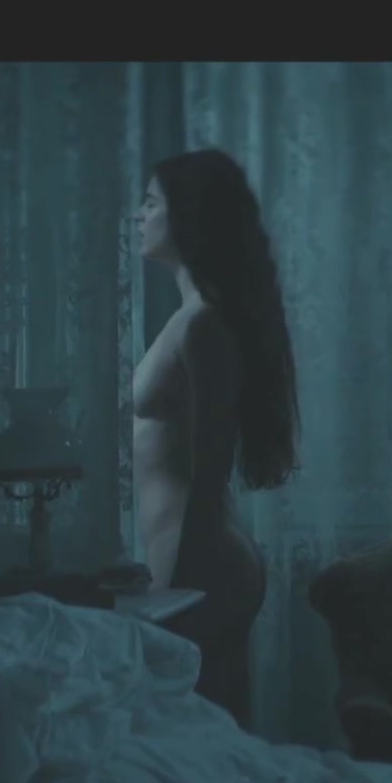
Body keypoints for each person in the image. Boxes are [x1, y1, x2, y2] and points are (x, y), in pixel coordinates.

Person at [130, 148, 300, 729]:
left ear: (186, 216)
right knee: (213, 737)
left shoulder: (204, 324)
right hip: (196, 558)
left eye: (150, 203)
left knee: (195, 737)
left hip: (203, 561)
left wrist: (181, 583)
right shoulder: (191, 319)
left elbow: (210, 467)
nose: (139, 215)